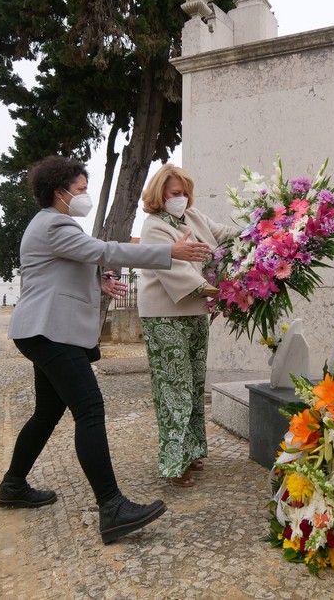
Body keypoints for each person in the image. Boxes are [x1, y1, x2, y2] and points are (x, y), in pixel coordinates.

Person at [0, 155, 211, 545]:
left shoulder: (52, 225)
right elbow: (106, 249)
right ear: (60, 193)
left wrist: (100, 284)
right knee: (90, 409)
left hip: (46, 330)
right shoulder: (55, 224)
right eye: (80, 190)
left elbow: (64, 271)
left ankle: (13, 485)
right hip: (49, 332)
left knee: (47, 413)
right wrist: (168, 253)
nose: (84, 196)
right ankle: (111, 507)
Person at [137, 164, 237, 487]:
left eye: (184, 193)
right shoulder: (153, 227)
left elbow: (224, 235)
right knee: (174, 387)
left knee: (193, 384)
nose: (182, 199)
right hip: (164, 315)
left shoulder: (193, 218)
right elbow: (178, 274)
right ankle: (173, 462)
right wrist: (226, 293)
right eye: (175, 194)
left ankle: (192, 450)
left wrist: (263, 228)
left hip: (195, 312)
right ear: (160, 195)